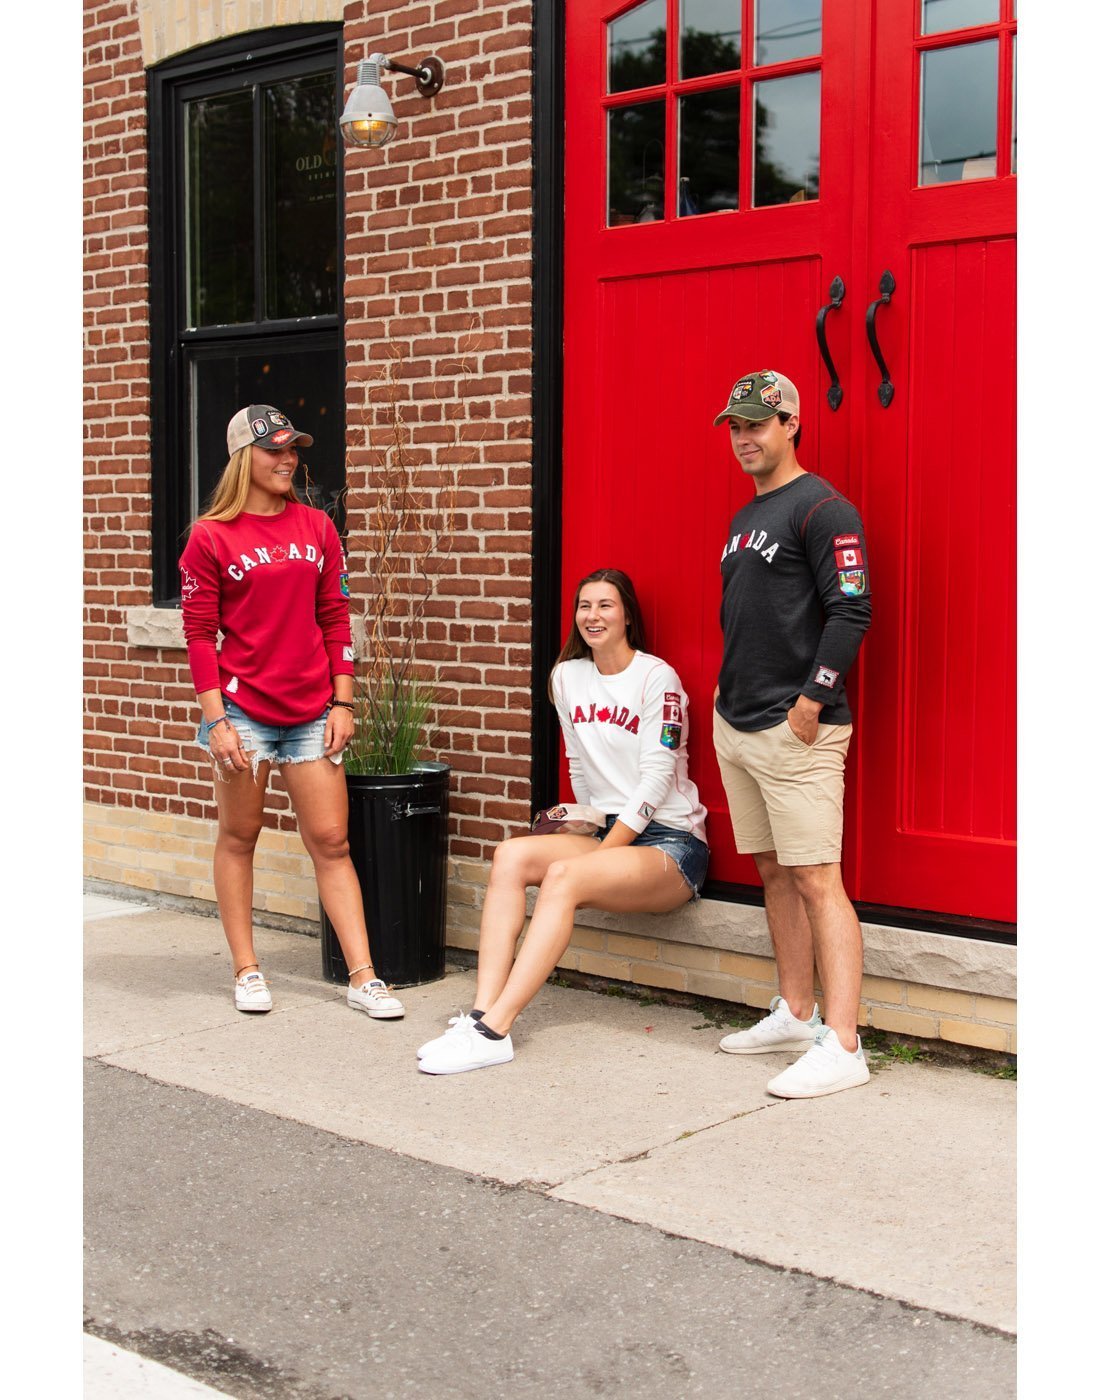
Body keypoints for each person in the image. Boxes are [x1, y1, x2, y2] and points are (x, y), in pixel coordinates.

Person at [417, 568, 709, 1075]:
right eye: (584, 606)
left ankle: (495, 1031)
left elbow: (657, 779)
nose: (593, 616)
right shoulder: (567, 676)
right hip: (607, 829)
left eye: (605, 605)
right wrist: (584, 822)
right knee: (510, 855)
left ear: (627, 616)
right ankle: (481, 1011)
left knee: (565, 876)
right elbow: (578, 762)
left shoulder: (656, 677)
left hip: (671, 842)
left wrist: (602, 851)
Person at [179, 404, 404, 1021]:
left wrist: (345, 700)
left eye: (293, 449)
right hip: (243, 712)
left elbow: (335, 616)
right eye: (275, 450)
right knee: (239, 836)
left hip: (313, 711)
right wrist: (216, 720)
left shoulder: (318, 528)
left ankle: (363, 976)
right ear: (243, 458)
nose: (288, 460)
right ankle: (248, 970)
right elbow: (199, 634)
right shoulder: (210, 536)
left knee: (331, 841)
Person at [711, 370, 872, 1098]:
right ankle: (795, 1010)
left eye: (758, 425)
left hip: (795, 730)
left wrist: (814, 700)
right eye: (736, 427)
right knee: (774, 872)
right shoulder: (747, 516)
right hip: (738, 722)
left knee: (817, 878)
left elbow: (852, 613)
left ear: (792, 424)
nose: (745, 438)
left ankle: (842, 1042)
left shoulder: (824, 508)